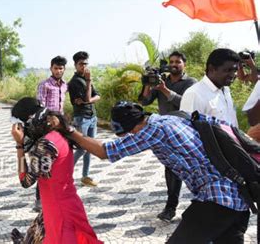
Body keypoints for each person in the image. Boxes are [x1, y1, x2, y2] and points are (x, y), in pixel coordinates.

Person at [62, 101, 250, 243]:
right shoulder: (171, 118)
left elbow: (105, 151)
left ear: (132, 127)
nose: (131, 137)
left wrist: (69, 131)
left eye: (129, 134)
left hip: (218, 198)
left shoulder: (151, 130)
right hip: (238, 196)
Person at [10, 97, 103, 244]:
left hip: (58, 211)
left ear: (30, 120)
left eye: (22, 125)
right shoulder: (58, 133)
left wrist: (19, 145)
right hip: (63, 202)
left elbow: (26, 181)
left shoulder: (46, 144)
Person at [138, 51, 197, 221]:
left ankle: (200, 205)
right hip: (166, 134)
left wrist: (164, 90)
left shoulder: (191, 83)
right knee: (171, 170)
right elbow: (144, 101)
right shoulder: (161, 81)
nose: (174, 64)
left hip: (186, 132)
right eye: (171, 61)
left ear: (184, 64)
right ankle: (171, 208)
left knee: (194, 169)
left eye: (178, 61)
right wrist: (148, 83)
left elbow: (187, 103)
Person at [33, 55, 68, 212]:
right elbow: (40, 107)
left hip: (60, 127)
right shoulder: (44, 85)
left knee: (59, 162)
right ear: (51, 68)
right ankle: (39, 199)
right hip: (46, 128)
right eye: (56, 68)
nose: (58, 70)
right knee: (44, 163)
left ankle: (57, 193)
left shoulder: (64, 85)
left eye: (61, 68)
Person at [180, 48, 240, 127]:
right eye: (228, 70)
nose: (233, 75)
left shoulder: (225, 90)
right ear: (212, 69)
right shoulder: (194, 94)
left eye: (235, 70)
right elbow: (188, 130)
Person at [68, 51, 100, 187]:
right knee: (82, 148)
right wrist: (88, 82)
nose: (84, 66)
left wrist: (89, 101)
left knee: (91, 148)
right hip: (81, 118)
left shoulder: (87, 79)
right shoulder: (74, 82)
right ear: (75, 65)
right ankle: (66, 174)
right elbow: (88, 98)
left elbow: (97, 96)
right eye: (81, 64)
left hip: (92, 117)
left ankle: (85, 176)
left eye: (86, 63)